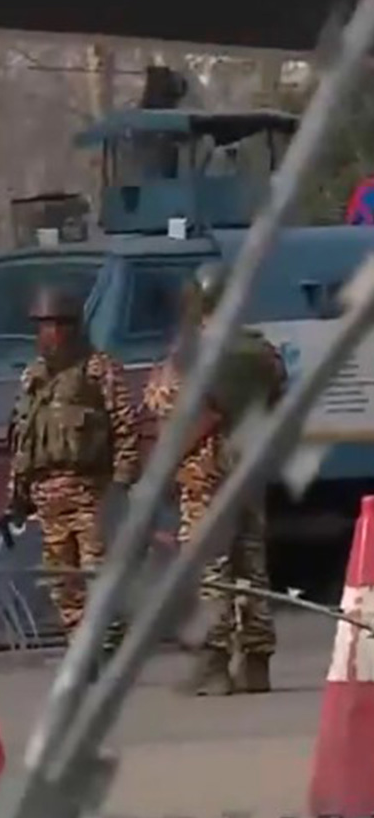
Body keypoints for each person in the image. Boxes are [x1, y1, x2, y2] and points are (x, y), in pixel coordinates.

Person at [141, 260, 285, 695]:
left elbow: (171, 406)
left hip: (205, 476)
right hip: (247, 472)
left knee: (210, 571)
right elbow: (276, 399)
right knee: (251, 567)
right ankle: (256, 661)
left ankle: (214, 663)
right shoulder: (262, 352)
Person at [2, 286, 142, 646]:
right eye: (41, 327)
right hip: (48, 497)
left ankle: (108, 647)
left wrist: (122, 484)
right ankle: (81, 648)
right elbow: (22, 439)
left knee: (101, 575)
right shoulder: (33, 378)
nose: (46, 335)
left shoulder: (99, 370)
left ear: (72, 327)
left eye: (54, 326)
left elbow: (126, 426)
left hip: (91, 493)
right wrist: (16, 497)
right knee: (62, 583)